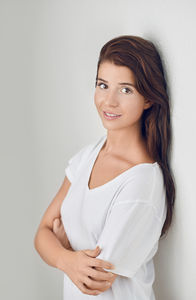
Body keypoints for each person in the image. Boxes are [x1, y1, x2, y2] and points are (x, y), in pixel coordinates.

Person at [34, 35, 176, 300]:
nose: (109, 101)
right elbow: (41, 233)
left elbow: (94, 281)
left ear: (148, 98)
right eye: (103, 85)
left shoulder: (142, 182)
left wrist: (65, 247)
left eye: (126, 90)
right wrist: (68, 258)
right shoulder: (88, 156)